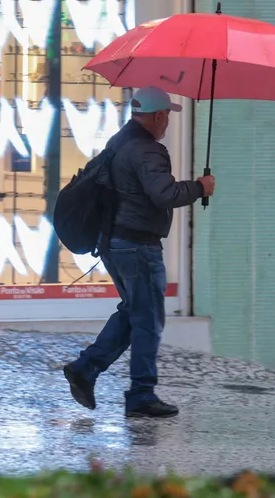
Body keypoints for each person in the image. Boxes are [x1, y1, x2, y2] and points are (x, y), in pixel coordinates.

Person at [62, 87, 215, 418]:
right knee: (148, 320)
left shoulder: (120, 141)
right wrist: (200, 187)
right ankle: (141, 395)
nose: (169, 122)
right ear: (158, 116)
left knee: (134, 312)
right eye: (168, 116)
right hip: (137, 246)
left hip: (114, 242)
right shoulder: (148, 150)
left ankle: (86, 368)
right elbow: (164, 193)